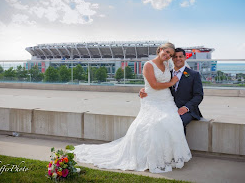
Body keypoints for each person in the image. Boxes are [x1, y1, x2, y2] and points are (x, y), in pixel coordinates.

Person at [73, 43, 192, 173]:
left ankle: (171, 157)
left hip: (167, 100)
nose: (168, 55)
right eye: (166, 52)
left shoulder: (167, 65)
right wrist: (170, 82)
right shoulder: (148, 65)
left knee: (172, 121)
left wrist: (145, 88)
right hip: (152, 100)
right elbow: (154, 85)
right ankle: (150, 158)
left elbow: (180, 72)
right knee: (154, 125)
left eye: (170, 54)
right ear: (160, 50)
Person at [140, 47, 204, 135]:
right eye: (175, 57)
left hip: (188, 110)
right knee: (158, 122)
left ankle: (178, 148)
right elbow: (156, 85)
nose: (178, 59)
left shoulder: (194, 75)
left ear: (185, 58)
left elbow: (198, 95)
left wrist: (186, 107)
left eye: (180, 57)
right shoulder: (167, 74)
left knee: (177, 122)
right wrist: (143, 91)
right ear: (172, 59)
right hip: (168, 107)